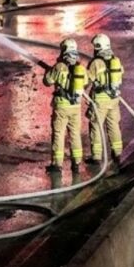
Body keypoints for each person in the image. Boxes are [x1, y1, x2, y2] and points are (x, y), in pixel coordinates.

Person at [42, 38, 87, 173]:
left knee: (59, 134)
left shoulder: (59, 66)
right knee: (75, 134)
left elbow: (47, 81)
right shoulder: (80, 67)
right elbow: (85, 83)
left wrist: (50, 71)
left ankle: (57, 164)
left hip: (61, 106)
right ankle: (76, 163)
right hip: (76, 107)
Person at [85, 34, 125, 166]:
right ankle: (118, 153)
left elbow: (86, 80)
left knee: (96, 126)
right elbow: (120, 75)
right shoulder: (115, 60)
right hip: (114, 99)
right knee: (113, 125)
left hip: (100, 100)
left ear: (97, 47)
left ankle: (96, 156)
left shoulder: (96, 63)